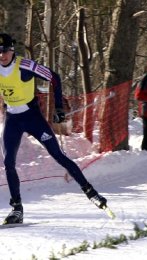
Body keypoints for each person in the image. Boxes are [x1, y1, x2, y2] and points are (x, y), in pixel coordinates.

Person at [0, 33, 107, 225]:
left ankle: (91, 192)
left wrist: (58, 107)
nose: (2, 56)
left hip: (32, 117)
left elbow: (54, 77)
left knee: (58, 155)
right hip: (12, 120)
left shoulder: (24, 66)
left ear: (12, 50)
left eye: (5, 51)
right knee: (8, 163)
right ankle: (17, 209)